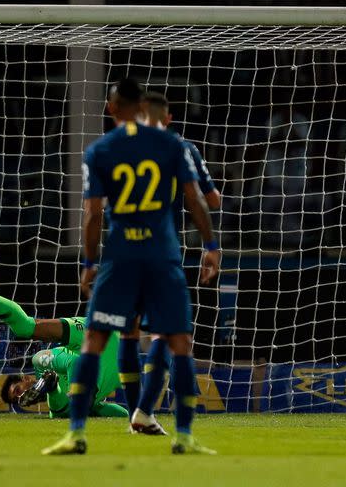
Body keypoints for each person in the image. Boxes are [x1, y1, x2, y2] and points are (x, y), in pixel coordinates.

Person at [42, 78, 220, 456]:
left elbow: (92, 214)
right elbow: (197, 201)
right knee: (178, 343)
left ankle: (76, 434)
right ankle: (184, 437)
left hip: (121, 257)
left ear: (110, 109)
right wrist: (211, 246)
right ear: (142, 105)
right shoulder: (173, 145)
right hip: (163, 255)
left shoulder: (101, 150)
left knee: (95, 340)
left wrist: (89, 262)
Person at [118, 91, 222, 436]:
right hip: (159, 251)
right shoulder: (181, 148)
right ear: (169, 118)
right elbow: (210, 200)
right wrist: (211, 244)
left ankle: (136, 414)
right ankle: (143, 412)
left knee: (129, 332)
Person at [0, 275, 126, 418]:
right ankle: (67, 390)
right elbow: (119, 413)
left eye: (18, 390)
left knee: (30, 336)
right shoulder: (60, 404)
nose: (21, 395)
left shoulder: (45, 360)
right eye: (18, 399)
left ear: (25, 378)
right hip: (120, 359)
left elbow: (75, 362)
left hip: (92, 336)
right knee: (59, 413)